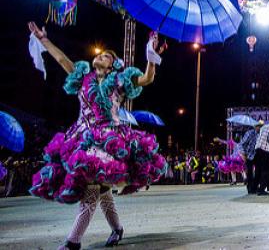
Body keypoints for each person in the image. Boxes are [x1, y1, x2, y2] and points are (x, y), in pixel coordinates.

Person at [27, 23, 167, 250]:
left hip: (110, 138)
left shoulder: (120, 81)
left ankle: (73, 242)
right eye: (99, 55)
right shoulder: (82, 78)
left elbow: (146, 79)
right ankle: (117, 229)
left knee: (93, 188)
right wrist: (43, 39)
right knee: (102, 190)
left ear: (113, 65)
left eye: (106, 56)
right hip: (83, 136)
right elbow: (62, 60)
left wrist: (150, 55)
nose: (100, 57)